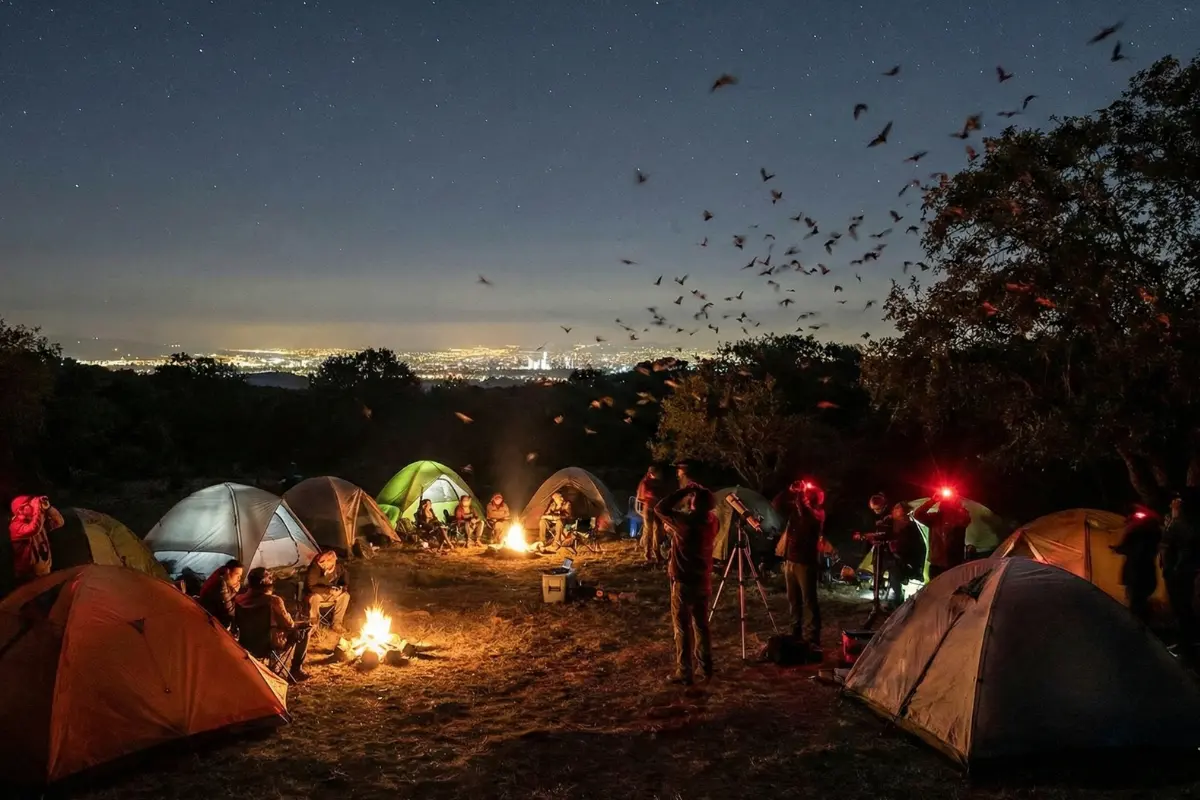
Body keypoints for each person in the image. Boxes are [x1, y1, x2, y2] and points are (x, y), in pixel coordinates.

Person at [654, 484, 718, 685]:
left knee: (682, 627)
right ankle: (706, 667)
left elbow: (659, 508)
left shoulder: (686, 522)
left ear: (693, 504)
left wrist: (683, 490)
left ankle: (685, 671)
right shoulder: (712, 521)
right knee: (701, 625)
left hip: (684, 581)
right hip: (703, 579)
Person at [773, 480, 825, 649]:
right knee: (793, 600)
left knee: (809, 601)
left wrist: (799, 494)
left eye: (807, 495)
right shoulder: (797, 510)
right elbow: (776, 504)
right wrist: (789, 489)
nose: (804, 497)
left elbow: (805, 516)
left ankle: (813, 638)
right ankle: (796, 633)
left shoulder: (817, 514)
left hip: (805, 563)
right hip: (790, 561)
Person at [235, 567, 310, 682]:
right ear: (265, 583)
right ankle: (295, 670)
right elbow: (289, 624)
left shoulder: (239, 599)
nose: (272, 579)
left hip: (245, 644)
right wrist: (300, 624)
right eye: (269, 578)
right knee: (306, 629)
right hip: (269, 644)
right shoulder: (273, 600)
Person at [1161, 490, 1199, 659]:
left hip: (1180, 572)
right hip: (1177, 570)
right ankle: (1186, 641)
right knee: (1181, 607)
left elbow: (1176, 541)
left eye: (1176, 502)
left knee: (1182, 606)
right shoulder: (1178, 522)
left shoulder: (1185, 524)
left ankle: (1187, 645)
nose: (1172, 505)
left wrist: (1174, 521)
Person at [1112, 505, 1162, 625]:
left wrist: (1121, 546)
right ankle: (1144, 627)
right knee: (1139, 602)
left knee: (1136, 604)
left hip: (1136, 576)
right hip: (1146, 575)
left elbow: (1132, 550)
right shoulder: (1152, 535)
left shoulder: (1138, 534)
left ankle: (1138, 629)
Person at [913, 491, 971, 579]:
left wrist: (957, 504)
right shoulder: (935, 518)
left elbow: (966, 519)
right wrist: (933, 501)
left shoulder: (959, 518)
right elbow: (917, 514)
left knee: (951, 591)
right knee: (935, 590)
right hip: (936, 564)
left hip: (953, 564)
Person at [8, 495, 61, 585]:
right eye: (29, 504)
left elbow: (59, 522)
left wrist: (49, 508)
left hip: (45, 572)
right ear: (20, 510)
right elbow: (33, 529)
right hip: (28, 576)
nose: (32, 506)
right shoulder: (15, 526)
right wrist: (37, 507)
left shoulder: (38, 522)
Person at [882, 503, 925, 608]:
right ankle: (892, 599)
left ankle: (897, 601)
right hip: (892, 558)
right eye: (895, 508)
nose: (895, 510)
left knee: (896, 572)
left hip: (905, 559)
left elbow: (917, 546)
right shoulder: (890, 523)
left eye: (898, 508)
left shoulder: (910, 526)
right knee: (892, 571)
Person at [304, 549, 350, 633]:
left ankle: (337, 624)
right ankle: (314, 626)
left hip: (331, 593)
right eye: (324, 565)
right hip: (317, 594)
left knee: (345, 596)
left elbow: (345, 580)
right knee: (314, 597)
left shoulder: (339, 567)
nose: (326, 567)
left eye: (329, 564)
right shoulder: (314, 568)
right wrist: (329, 590)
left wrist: (342, 588)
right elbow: (311, 587)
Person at [197, 559, 244, 630]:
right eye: (237, 575)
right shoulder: (220, 584)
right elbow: (229, 612)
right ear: (228, 572)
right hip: (210, 623)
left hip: (214, 620)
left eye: (240, 576)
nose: (239, 579)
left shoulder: (227, 582)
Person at [637, 465, 666, 566]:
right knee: (648, 531)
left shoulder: (658, 483)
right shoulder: (645, 483)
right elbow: (643, 496)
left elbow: (662, 494)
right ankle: (648, 554)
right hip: (649, 509)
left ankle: (657, 553)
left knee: (657, 531)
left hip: (657, 509)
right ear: (651, 473)